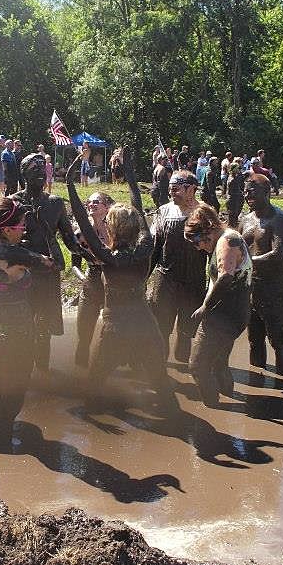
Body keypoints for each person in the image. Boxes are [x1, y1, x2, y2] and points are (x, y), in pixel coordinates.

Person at [66, 155, 172, 407]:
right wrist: (130, 174)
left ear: (110, 230)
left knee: (93, 389)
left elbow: (82, 220)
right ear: (136, 227)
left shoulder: (106, 257)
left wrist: (70, 184)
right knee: (162, 386)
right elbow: (138, 205)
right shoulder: (146, 246)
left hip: (114, 329)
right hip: (145, 325)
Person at [0, 194, 54, 450]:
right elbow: (53, 264)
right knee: (13, 402)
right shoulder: (12, 256)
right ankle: (3, 457)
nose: (25, 229)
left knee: (0, 396)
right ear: (6, 229)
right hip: (16, 337)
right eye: (21, 226)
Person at [12, 152, 85, 370]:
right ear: (24, 173)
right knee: (20, 323)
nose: (41, 174)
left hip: (48, 271)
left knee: (43, 327)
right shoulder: (14, 202)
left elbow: (70, 239)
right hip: (20, 271)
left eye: (43, 170)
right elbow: (0, 237)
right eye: (35, 170)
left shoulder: (55, 203)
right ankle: (21, 371)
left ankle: (42, 371)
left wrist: (91, 256)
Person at [184, 203, 252, 407]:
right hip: (233, 312)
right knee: (219, 362)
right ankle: (227, 400)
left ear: (209, 228)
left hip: (225, 315)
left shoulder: (227, 241)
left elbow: (224, 279)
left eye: (196, 241)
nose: (196, 247)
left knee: (197, 366)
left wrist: (204, 307)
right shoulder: (223, 238)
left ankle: (214, 410)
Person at [240, 173, 283, 379]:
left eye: (252, 193)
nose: (247, 197)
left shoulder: (280, 219)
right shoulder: (245, 219)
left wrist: (246, 262)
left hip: (276, 287)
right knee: (254, 339)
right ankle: (256, 382)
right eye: (245, 192)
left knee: (279, 341)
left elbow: (278, 256)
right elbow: (238, 248)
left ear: (267, 192)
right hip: (251, 286)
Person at [149, 170, 207, 364]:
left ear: (191, 189)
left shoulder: (205, 213)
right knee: (160, 329)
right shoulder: (164, 211)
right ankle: (160, 369)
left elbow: (214, 250)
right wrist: (142, 276)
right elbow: (155, 247)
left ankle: (183, 366)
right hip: (164, 280)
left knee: (186, 331)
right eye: (170, 190)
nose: (172, 193)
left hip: (193, 281)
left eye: (176, 189)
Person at [73, 189, 115, 368]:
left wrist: (99, 224)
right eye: (89, 202)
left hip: (112, 284)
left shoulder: (116, 229)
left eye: (96, 202)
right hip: (90, 282)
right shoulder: (79, 232)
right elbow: (75, 264)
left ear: (106, 207)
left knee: (110, 333)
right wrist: (83, 279)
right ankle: (80, 377)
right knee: (83, 334)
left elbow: (113, 251)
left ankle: (104, 368)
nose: (91, 205)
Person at [225, 158, 245, 228]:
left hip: (236, 198)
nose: (238, 169)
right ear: (233, 169)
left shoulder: (235, 176)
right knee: (232, 217)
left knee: (235, 216)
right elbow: (232, 189)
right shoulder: (232, 178)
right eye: (237, 168)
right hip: (232, 199)